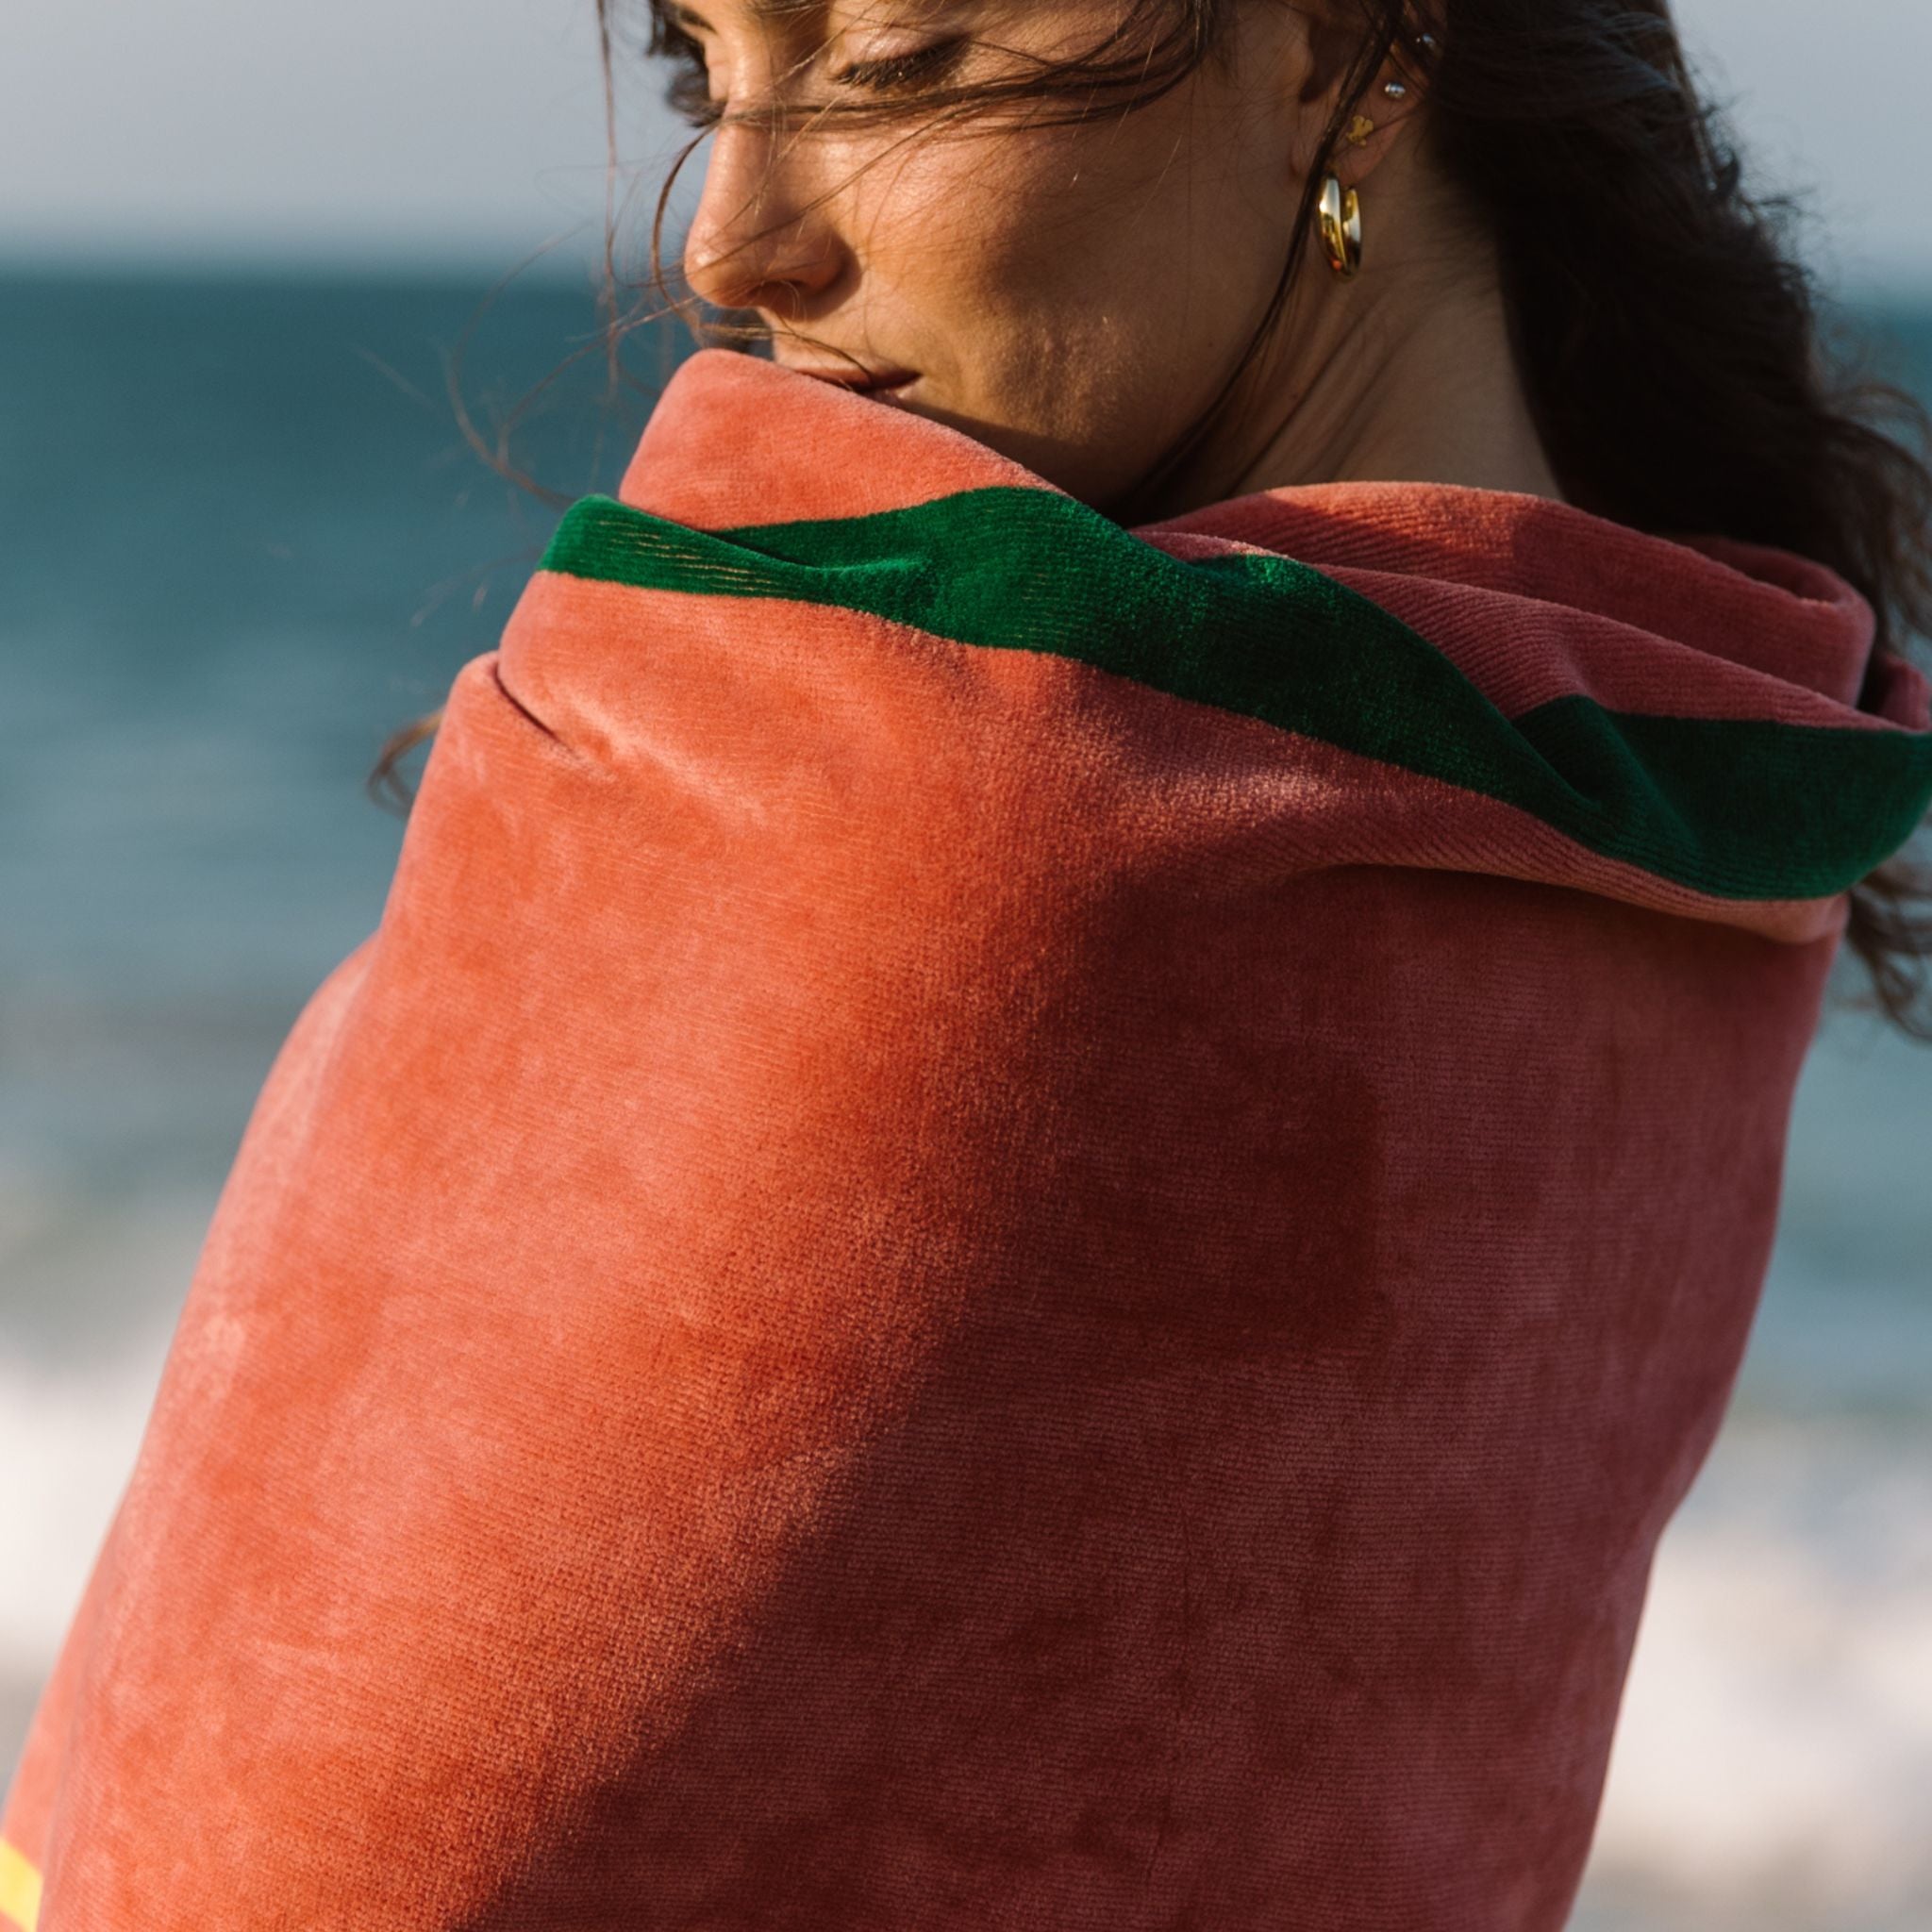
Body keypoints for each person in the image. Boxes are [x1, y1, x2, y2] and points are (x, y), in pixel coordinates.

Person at [4, 4, 1930, 1928]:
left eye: (896, 58)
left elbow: (242, 1857)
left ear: (1339, 47)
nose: (729, 245)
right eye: (703, 76)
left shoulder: (907, 797)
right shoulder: (1722, 821)